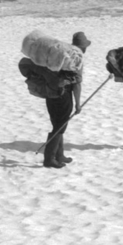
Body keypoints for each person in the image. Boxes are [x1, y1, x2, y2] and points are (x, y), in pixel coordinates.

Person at [43, 32, 89, 169]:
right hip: (64, 95)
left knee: (57, 124)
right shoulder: (76, 59)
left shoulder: (61, 56)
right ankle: (49, 159)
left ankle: (59, 155)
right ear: (83, 47)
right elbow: (77, 84)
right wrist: (78, 104)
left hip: (50, 93)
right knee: (60, 126)